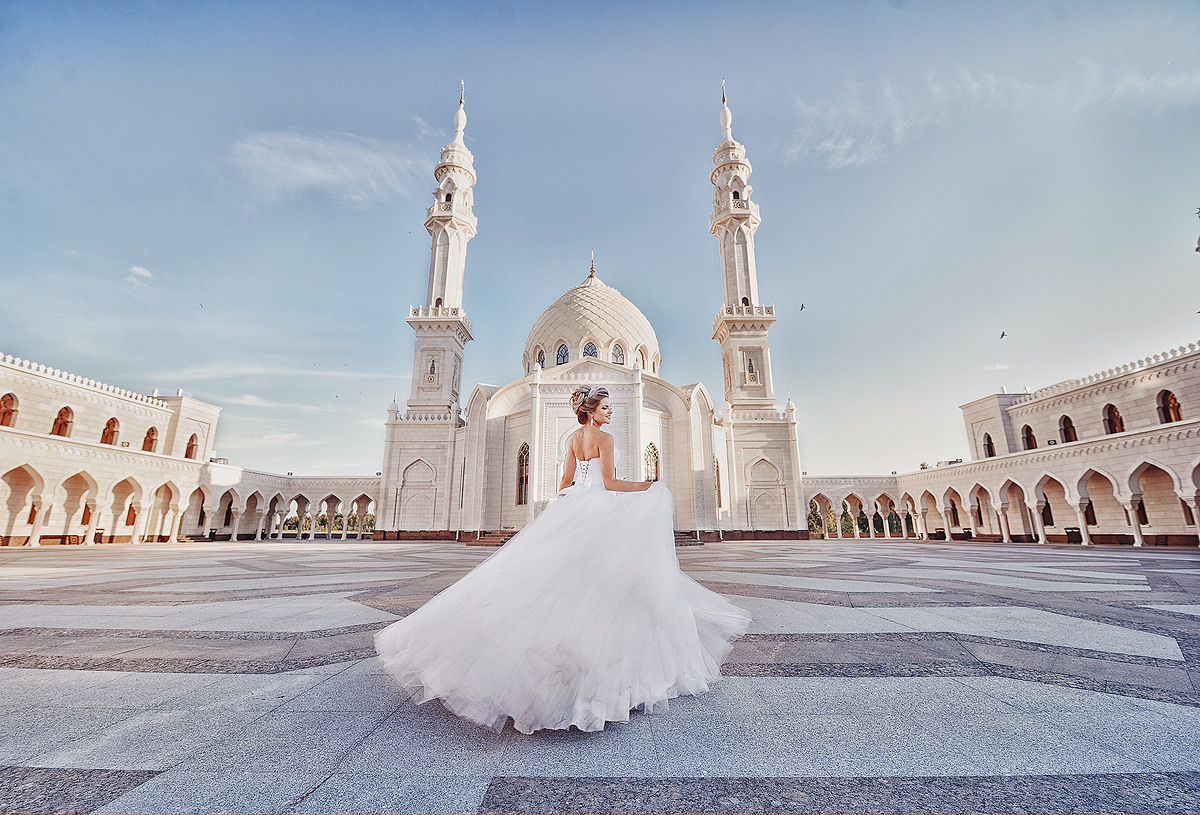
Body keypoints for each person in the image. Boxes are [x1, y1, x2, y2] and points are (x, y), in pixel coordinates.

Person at [374, 384, 751, 734]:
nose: (610, 413)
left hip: (574, 509)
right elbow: (612, 483)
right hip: (600, 511)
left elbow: (565, 485)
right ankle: (596, 677)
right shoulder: (603, 437)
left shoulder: (574, 439)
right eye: (605, 408)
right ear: (591, 412)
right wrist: (650, 485)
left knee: (563, 584)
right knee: (606, 586)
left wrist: (579, 498)